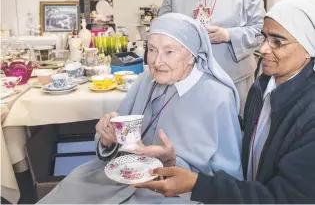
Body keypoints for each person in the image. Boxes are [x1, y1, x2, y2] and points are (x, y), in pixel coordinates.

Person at [39, 13, 242, 204]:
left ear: (192, 55)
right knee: (72, 189)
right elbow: (120, 136)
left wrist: (172, 163)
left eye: (169, 52)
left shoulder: (217, 97)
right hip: (120, 178)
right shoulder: (146, 80)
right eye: (152, 50)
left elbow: (227, 178)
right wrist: (107, 139)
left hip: (175, 194)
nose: (156, 61)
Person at [134, 0, 315, 203]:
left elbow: (285, 198)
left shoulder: (310, 116)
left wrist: (197, 184)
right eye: (264, 37)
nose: (263, 48)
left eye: (277, 42)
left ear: (308, 47)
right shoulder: (262, 85)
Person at [158, 0, 265, 116]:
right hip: (185, 77)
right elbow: (162, 27)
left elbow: (260, 30)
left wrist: (228, 35)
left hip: (234, 78)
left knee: (232, 133)